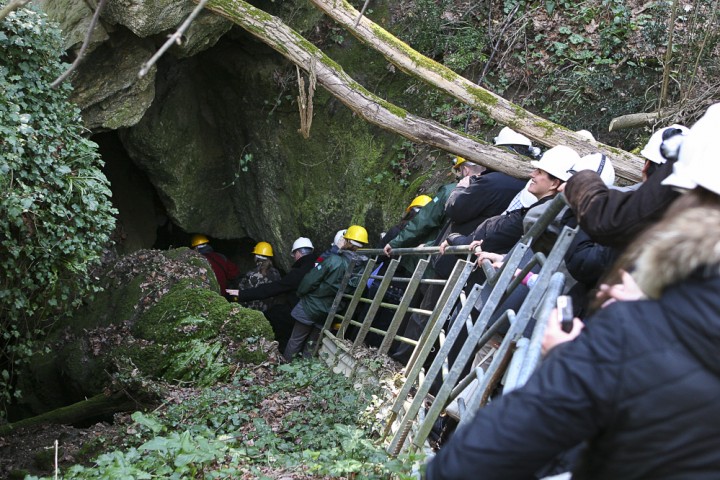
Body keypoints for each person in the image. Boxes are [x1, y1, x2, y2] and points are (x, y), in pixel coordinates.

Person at [424, 103, 720, 480]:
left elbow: (471, 461)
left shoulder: (633, 332)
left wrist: (579, 356)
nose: (533, 178)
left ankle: (443, 424)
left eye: (544, 174)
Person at [562, 124, 689, 249]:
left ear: (646, 167)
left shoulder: (636, 214)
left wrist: (579, 186)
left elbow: (606, 226)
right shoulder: (695, 221)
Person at [284, 225, 369, 361]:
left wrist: (300, 294)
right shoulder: (363, 268)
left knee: (296, 340)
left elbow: (309, 281)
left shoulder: (334, 260)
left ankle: (285, 368)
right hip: (329, 311)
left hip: (310, 306)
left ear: (346, 241)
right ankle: (304, 374)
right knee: (312, 345)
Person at [234, 237, 316, 351]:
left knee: (280, 327)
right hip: (312, 309)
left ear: (298, 252)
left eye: (294, 254)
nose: (294, 258)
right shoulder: (317, 266)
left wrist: (241, 294)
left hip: (298, 310)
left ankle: (276, 351)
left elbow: (275, 288)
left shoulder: (299, 272)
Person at [236, 241, 281, 312]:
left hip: (254, 312)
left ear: (256, 258)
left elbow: (243, 294)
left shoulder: (252, 275)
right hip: (270, 310)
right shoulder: (276, 273)